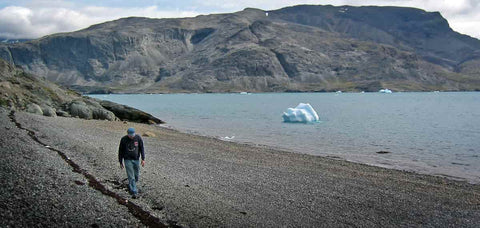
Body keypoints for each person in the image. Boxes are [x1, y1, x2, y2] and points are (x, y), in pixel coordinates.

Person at [118, 127, 145, 198]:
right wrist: (120, 162)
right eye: (130, 135)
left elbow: (142, 148)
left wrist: (143, 159)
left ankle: (132, 184)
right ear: (128, 134)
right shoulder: (123, 139)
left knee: (136, 175)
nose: (132, 136)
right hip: (127, 159)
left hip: (136, 159)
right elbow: (120, 151)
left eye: (133, 134)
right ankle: (134, 191)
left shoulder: (138, 138)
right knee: (131, 176)